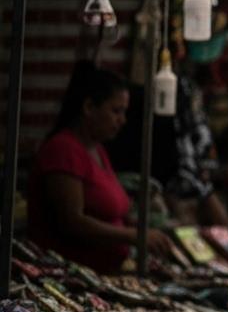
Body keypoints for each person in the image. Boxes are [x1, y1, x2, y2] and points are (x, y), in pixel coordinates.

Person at [30, 62, 172, 272]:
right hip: (71, 274)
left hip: (108, 270)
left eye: (124, 112)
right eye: (116, 111)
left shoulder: (97, 150)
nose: (122, 120)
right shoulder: (62, 150)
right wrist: (134, 236)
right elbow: (72, 222)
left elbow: (112, 214)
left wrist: (147, 231)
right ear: (89, 107)